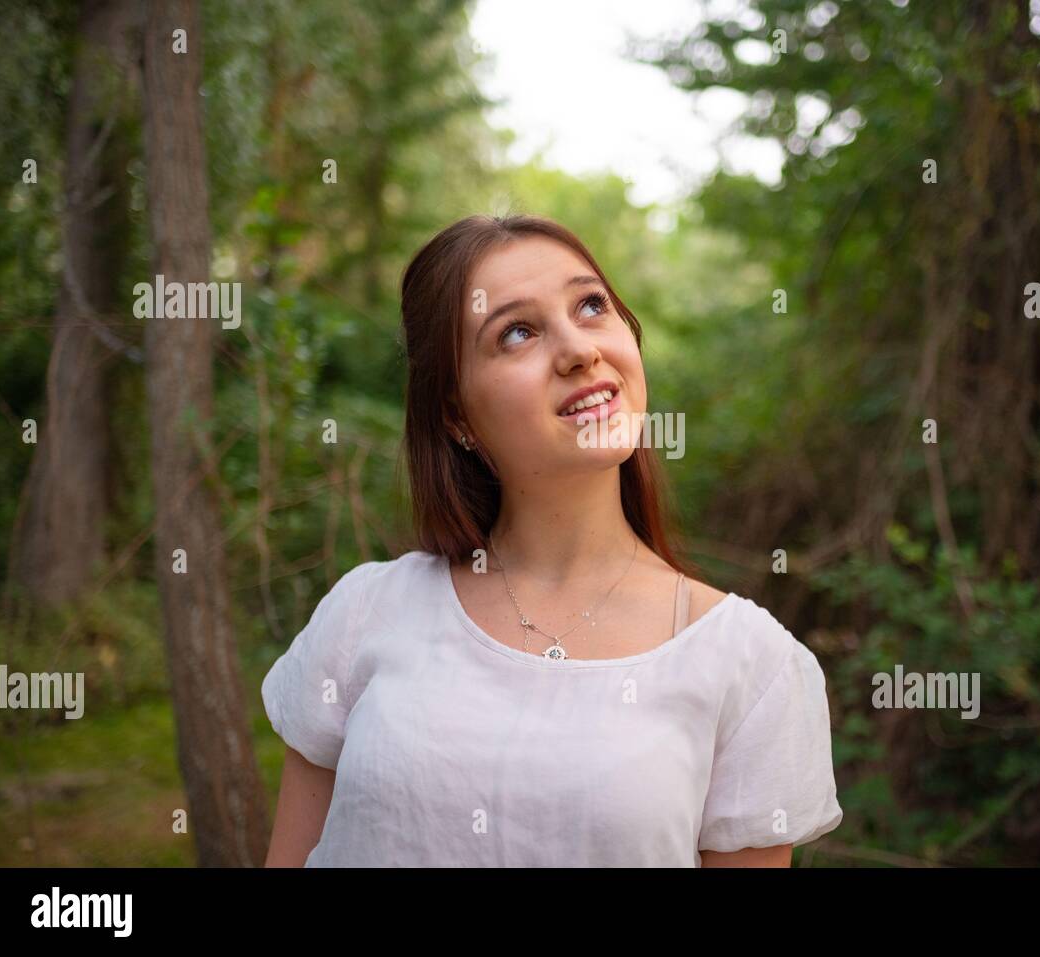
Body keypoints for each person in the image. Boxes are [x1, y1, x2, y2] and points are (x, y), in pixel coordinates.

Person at [262, 214, 842, 867]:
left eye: (591, 305)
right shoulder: (364, 611)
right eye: (517, 331)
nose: (579, 349)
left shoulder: (750, 664)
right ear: (455, 414)